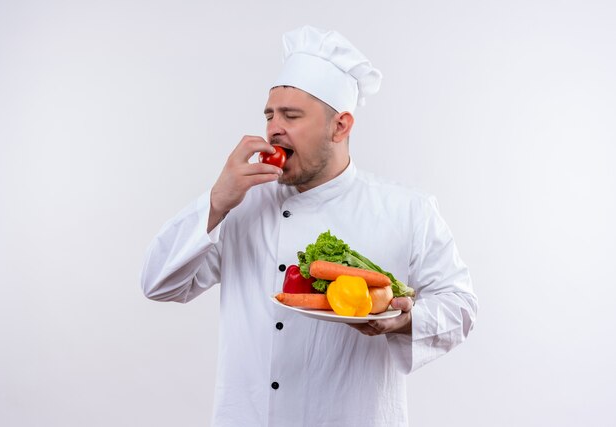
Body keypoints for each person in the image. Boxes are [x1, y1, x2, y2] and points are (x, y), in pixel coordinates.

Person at [141, 25, 478, 427]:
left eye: (291, 115)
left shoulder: (408, 210)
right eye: (270, 114)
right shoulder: (240, 205)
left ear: (341, 126)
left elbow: (460, 307)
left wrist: (406, 320)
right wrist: (216, 203)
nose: (273, 129)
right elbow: (159, 285)